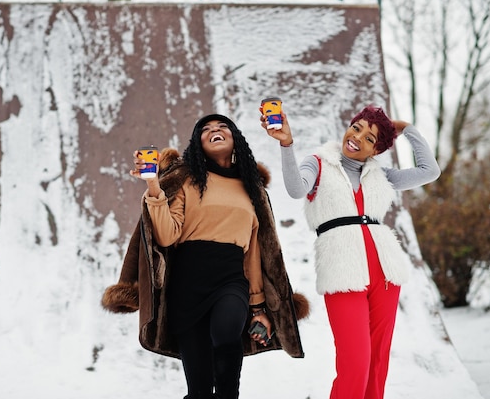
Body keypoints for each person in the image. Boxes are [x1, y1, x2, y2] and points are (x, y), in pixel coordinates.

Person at [102, 114, 310, 399]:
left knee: (226, 332)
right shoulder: (186, 181)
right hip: (187, 287)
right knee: (198, 390)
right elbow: (166, 235)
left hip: (231, 279)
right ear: (197, 144)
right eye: (207, 129)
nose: (215, 130)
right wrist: (153, 185)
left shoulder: (251, 189)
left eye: (223, 126)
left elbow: (255, 252)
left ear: (235, 138)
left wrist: (259, 308)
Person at [262, 105, 441, 399]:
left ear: (375, 151)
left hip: (385, 273)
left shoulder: (381, 174)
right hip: (341, 271)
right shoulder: (319, 163)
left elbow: (430, 171)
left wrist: (407, 129)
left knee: (377, 362)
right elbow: (296, 189)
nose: (357, 137)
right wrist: (286, 144)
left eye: (370, 138)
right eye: (357, 127)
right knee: (355, 363)